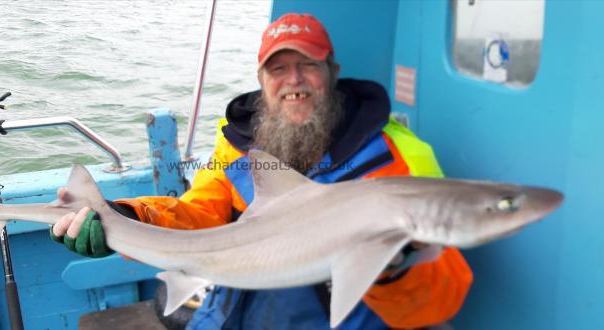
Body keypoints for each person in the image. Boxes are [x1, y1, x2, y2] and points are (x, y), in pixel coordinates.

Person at [51, 13, 473, 329]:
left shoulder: (400, 156)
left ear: (333, 72)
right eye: (279, 68)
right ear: (261, 79)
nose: (295, 80)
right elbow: (198, 214)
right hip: (233, 316)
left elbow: (440, 298)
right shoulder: (234, 144)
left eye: (308, 64)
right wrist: (128, 217)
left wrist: (394, 265)